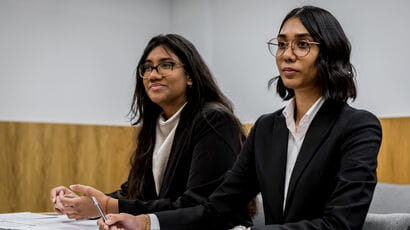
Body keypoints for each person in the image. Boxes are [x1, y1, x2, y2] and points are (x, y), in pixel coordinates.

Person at [97, 5, 383, 230]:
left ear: (330, 53)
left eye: (303, 44)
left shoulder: (358, 127)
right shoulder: (266, 129)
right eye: (282, 44)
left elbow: (341, 223)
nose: (287, 55)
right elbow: (217, 209)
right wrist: (146, 223)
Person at [50, 34, 251, 226]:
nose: (153, 75)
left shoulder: (214, 120)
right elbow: (135, 194)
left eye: (166, 65)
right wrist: (84, 204)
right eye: (147, 68)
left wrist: (107, 206)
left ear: (190, 76)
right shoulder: (154, 123)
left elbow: (199, 207)